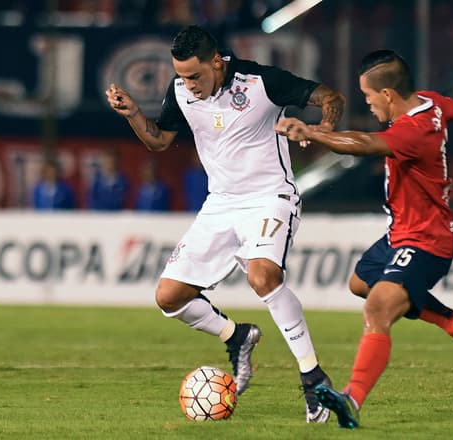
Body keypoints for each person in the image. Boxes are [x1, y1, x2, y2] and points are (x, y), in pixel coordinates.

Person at [275, 49, 453, 429]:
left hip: (426, 241)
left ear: (389, 96)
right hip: (400, 235)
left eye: (368, 97)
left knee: (378, 309)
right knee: (360, 283)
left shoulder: (414, 130)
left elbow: (364, 143)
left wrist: (312, 131)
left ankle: (351, 400)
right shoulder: (431, 103)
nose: (368, 103)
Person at [105, 25, 345, 422]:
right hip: (220, 204)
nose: (189, 84)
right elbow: (160, 140)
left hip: (270, 197)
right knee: (168, 297)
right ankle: (236, 336)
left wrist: (322, 130)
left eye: (195, 75)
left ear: (217, 62)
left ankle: (313, 379)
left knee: (262, 277)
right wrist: (133, 114)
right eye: (182, 76)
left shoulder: (261, 82)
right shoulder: (180, 91)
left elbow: (329, 97)